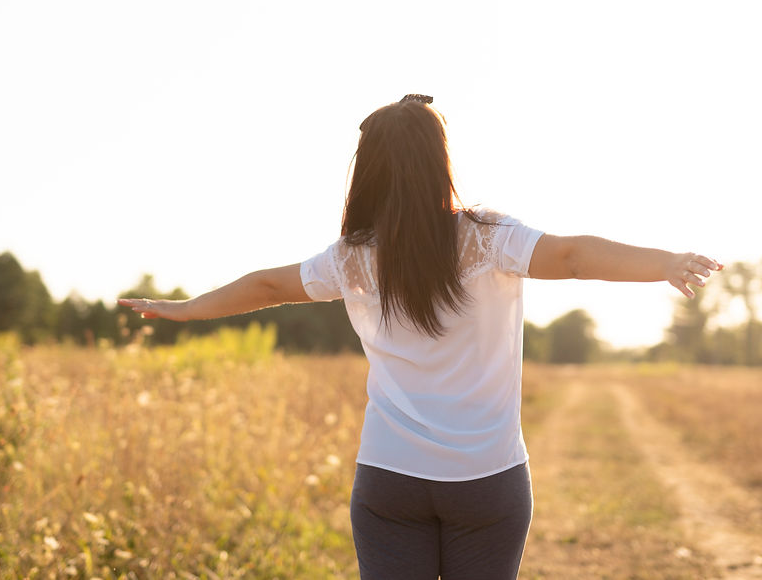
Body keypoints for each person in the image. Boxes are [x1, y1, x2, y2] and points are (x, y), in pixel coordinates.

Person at [118, 94, 723, 580]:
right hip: (488, 481)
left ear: (370, 171)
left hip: (389, 480)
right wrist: (662, 263)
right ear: (440, 163)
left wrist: (186, 309)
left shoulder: (353, 258)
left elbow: (265, 285)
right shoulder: (489, 238)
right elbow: (568, 255)